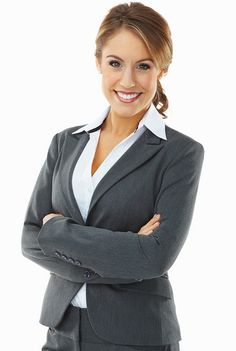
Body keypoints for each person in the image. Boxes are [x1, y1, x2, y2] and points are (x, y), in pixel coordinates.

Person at [21, 2, 204, 351]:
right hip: (60, 332)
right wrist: (124, 248)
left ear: (161, 69)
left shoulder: (181, 153)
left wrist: (58, 231)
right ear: (98, 63)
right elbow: (30, 239)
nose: (128, 81)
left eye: (143, 66)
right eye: (115, 63)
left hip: (137, 336)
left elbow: (154, 258)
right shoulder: (65, 142)